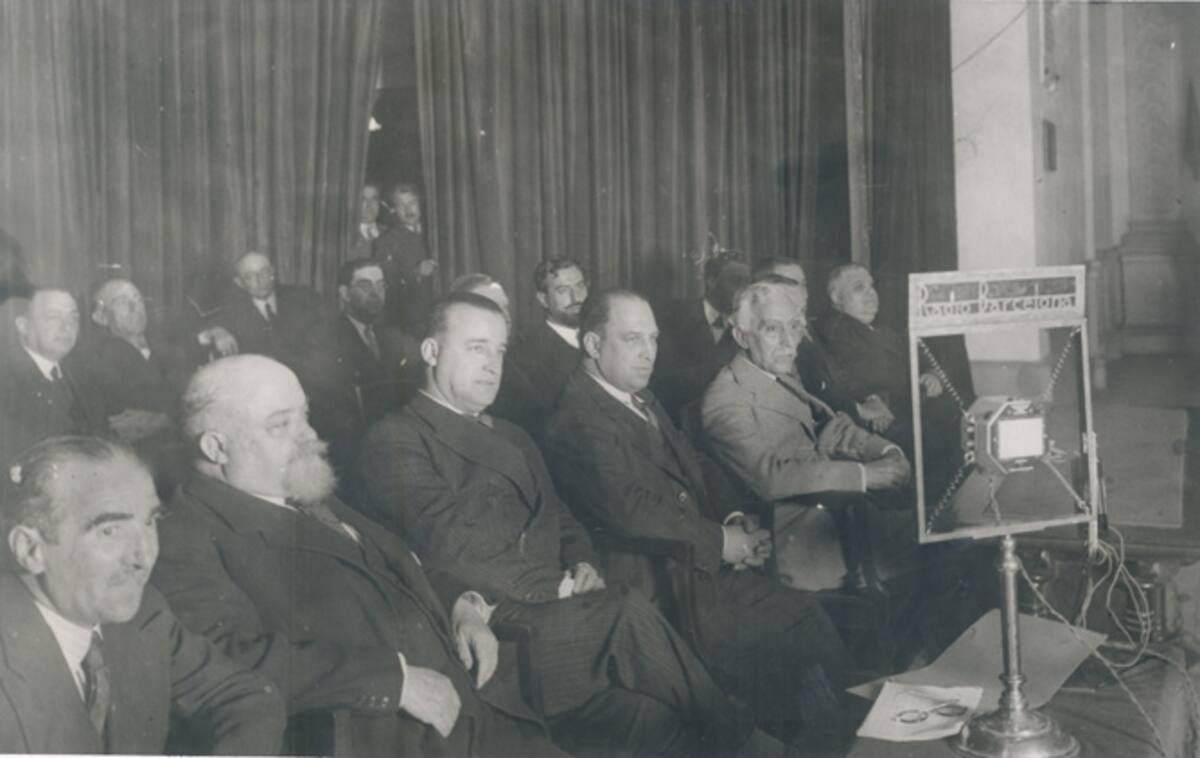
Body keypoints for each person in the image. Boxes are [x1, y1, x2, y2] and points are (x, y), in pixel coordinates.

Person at [357, 293, 780, 757]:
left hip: (559, 623)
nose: (493, 365)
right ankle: (750, 744)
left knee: (659, 720)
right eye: (476, 348)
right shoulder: (396, 438)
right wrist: (558, 587)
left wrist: (582, 564)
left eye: (499, 350)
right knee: (625, 612)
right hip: (500, 638)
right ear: (431, 351)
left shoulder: (513, 434)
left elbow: (563, 519)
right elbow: (453, 547)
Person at [151, 354, 564, 757]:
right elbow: (226, 658)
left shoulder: (302, 492)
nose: (309, 435)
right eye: (280, 424)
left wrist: (461, 605)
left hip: (475, 706)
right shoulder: (182, 536)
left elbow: (391, 566)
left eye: (304, 415)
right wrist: (394, 682)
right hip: (392, 734)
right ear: (216, 448)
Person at [543, 288, 858, 748]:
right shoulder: (576, 420)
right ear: (592, 344)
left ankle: (840, 742)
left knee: (804, 627)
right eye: (633, 339)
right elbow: (632, 512)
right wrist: (724, 542)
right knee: (798, 631)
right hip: (657, 595)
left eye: (653, 339)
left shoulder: (637, 397)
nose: (649, 352)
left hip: (695, 571)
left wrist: (735, 518)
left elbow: (698, 464)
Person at [0, 435, 284, 753]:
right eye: (110, 531)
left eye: (149, 522)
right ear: (30, 550)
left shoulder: (145, 616)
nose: (144, 556)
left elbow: (246, 696)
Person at [701, 277, 914, 593]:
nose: (789, 342)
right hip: (805, 546)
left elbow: (832, 427)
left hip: (843, 520)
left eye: (794, 328)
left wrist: (885, 452)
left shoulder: (777, 372)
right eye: (772, 330)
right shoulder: (725, 399)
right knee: (952, 545)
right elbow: (769, 477)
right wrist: (865, 475)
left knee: (952, 532)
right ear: (741, 336)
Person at [299, 258, 421, 480]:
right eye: (365, 285)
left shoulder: (392, 336)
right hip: (354, 457)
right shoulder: (322, 339)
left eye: (381, 285)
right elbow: (327, 411)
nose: (376, 293)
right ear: (344, 293)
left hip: (400, 448)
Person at [0, 288, 108, 464]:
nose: (67, 327)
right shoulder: (6, 385)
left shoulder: (82, 374)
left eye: (74, 318)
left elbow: (104, 438)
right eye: (53, 317)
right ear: (23, 326)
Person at [752, 258, 858, 417]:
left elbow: (834, 381)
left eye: (803, 284)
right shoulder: (769, 340)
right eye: (790, 285)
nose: (802, 293)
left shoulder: (809, 326)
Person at [652, 251, 750, 422]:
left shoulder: (748, 324)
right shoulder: (672, 318)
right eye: (735, 281)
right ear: (711, 281)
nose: (743, 291)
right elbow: (663, 382)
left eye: (747, 283)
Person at [507, 257, 589, 434]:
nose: (576, 297)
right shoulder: (526, 355)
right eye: (563, 290)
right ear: (543, 299)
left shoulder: (602, 336)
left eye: (580, 286)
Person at [448, 273, 540, 430]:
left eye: (505, 306)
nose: (505, 317)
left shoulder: (521, 366)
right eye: (492, 307)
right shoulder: (454, 370)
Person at [213, 251, 326, 371]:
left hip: (305, 377)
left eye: (264, 272)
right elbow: (204, 328)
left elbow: (324, 343)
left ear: (272, 272)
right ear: (239, 283)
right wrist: (216, 331)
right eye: (250, 276)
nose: (259, 281)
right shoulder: (233, 310)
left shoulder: (303, 297)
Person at [373, 182, 437, 334]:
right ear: (394, 209)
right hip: (411, 322)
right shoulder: (387, 241)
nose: (408, 210)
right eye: (401, 205)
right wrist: (416, 273)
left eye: (412, 202)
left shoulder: (436, 231)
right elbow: (388, 288)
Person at [351, 183, 388, 259]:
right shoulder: (346, 237)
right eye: (363, 200)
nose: (369, 205)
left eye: (374, 199)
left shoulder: (390, 232)